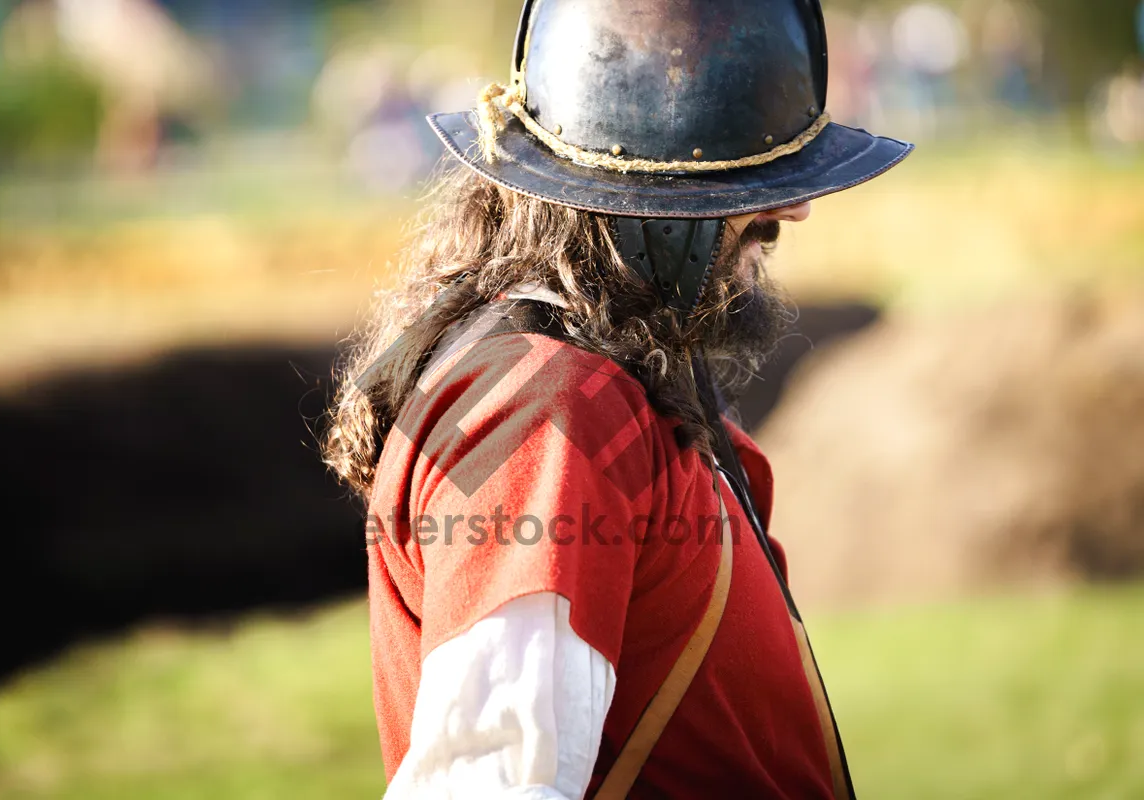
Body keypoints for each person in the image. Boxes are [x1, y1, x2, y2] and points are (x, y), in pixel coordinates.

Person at [325, 1, 913, 797]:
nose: (794, 209)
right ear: (643, 198)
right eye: (744, 173)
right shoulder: (550, 413)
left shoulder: (594, 389)